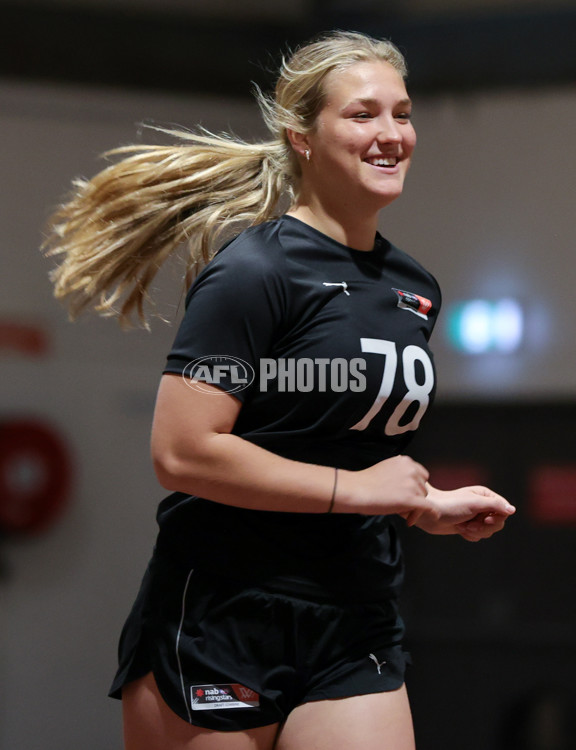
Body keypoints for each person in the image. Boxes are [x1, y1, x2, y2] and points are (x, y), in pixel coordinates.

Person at [43, 30, 516, 750]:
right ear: (302, 137)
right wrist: (361, 491)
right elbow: (181, 454)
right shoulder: (255, 272)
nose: (391, 134)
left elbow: (341, 447)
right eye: (363, 115)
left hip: (354, 612)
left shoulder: (413, 288)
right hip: (225, 612)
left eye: (403, 113)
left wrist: (421, 506)